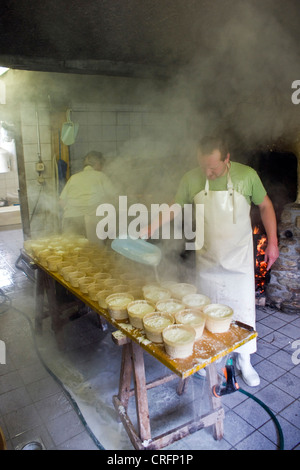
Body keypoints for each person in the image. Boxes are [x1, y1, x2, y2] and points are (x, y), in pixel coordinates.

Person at [143, 136, 279, 386]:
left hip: (238, 261)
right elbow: (175, 206)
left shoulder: (246, 175)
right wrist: (150, 227)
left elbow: (266, 205)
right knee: (207, 314)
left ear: (227, 159)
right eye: (204, 166)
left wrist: (272, 242)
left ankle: (244, 359)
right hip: (207, 259)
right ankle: (212, 359)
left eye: (214, 167)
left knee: (243, 310)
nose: (208, 172)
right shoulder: (191, 178)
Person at [59, 151, 116, 243]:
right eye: (102, 165)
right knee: (95, 252)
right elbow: (114, 197)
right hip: (92, 221)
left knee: (71, 251)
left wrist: (72, 209)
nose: (102, 168)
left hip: (71, 220)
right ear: (97, 163)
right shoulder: (101, 176)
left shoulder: (73, 177)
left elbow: (61, 201)